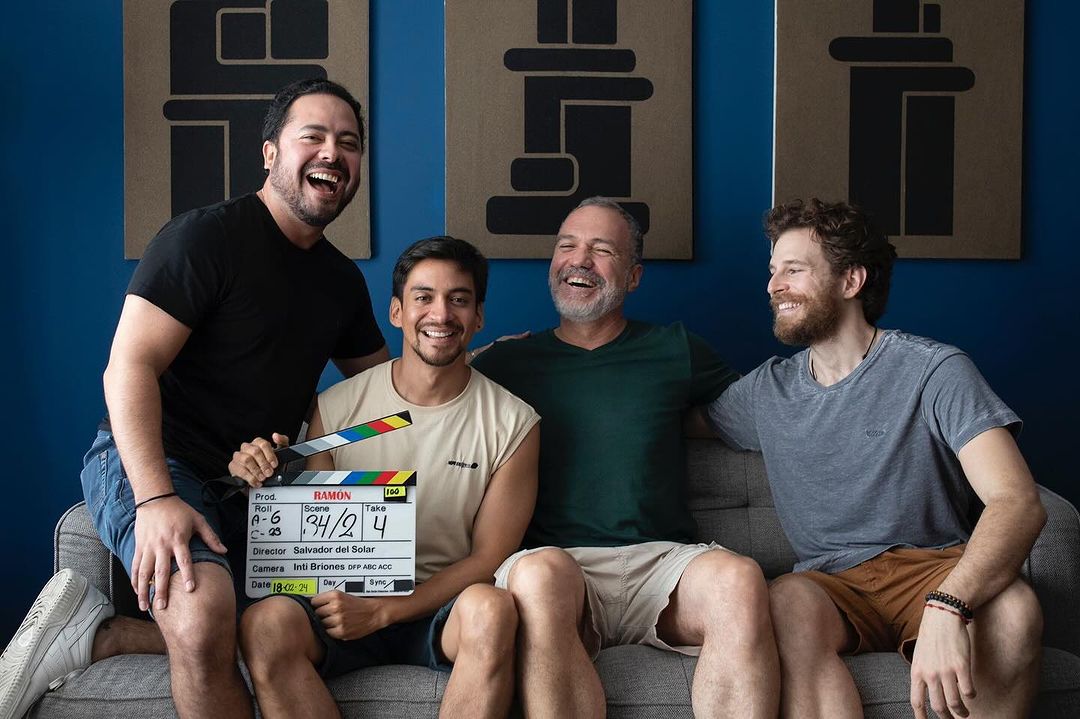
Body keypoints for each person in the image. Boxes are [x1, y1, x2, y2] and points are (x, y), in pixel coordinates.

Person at [0, 78, 390, 719]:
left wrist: (473, 353)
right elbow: (128, 367)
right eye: (313, 136)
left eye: (348, 143)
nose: (332, 153)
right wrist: (155, 499)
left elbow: (389, 387)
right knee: (204, 609)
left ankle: (104, 637)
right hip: (156, 460)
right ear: (270, 152)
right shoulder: (205, 238)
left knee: (304, 623)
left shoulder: (340, 281)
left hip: (251, 485)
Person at [706, 198, 1045, 718]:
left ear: (851, 280)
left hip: (933, 568)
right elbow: (677, 419)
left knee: (1016, 611)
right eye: (773, 271)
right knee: (784, 604)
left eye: (793, 270)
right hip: (827, 584)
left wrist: (949, 603)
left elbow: (1016, 501)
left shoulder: (935, 370)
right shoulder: (766, 390)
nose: (773, 286)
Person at [471, 197, 780, 718]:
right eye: (567, 246)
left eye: (602, 250)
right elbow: (422, 399)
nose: (579, 260)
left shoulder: (676, 348)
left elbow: (752, 415)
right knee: (537, 577)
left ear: (633, 276)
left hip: (664, 564)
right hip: (560, 570)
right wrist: (472, 357)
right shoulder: (507, 362)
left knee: (741, 579)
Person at [230, 236, 539, 719]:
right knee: (264, 623)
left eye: (459, 299)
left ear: (479, 316)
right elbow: (314, 542)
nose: (441, 314)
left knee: (493, 610)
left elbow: (489, 557)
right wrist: (262, 477)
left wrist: (386, 610)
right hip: (344, 603)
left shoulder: (513, 423)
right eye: (424, 297)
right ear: (397, 311)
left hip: (441, 610)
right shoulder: (337, 407)